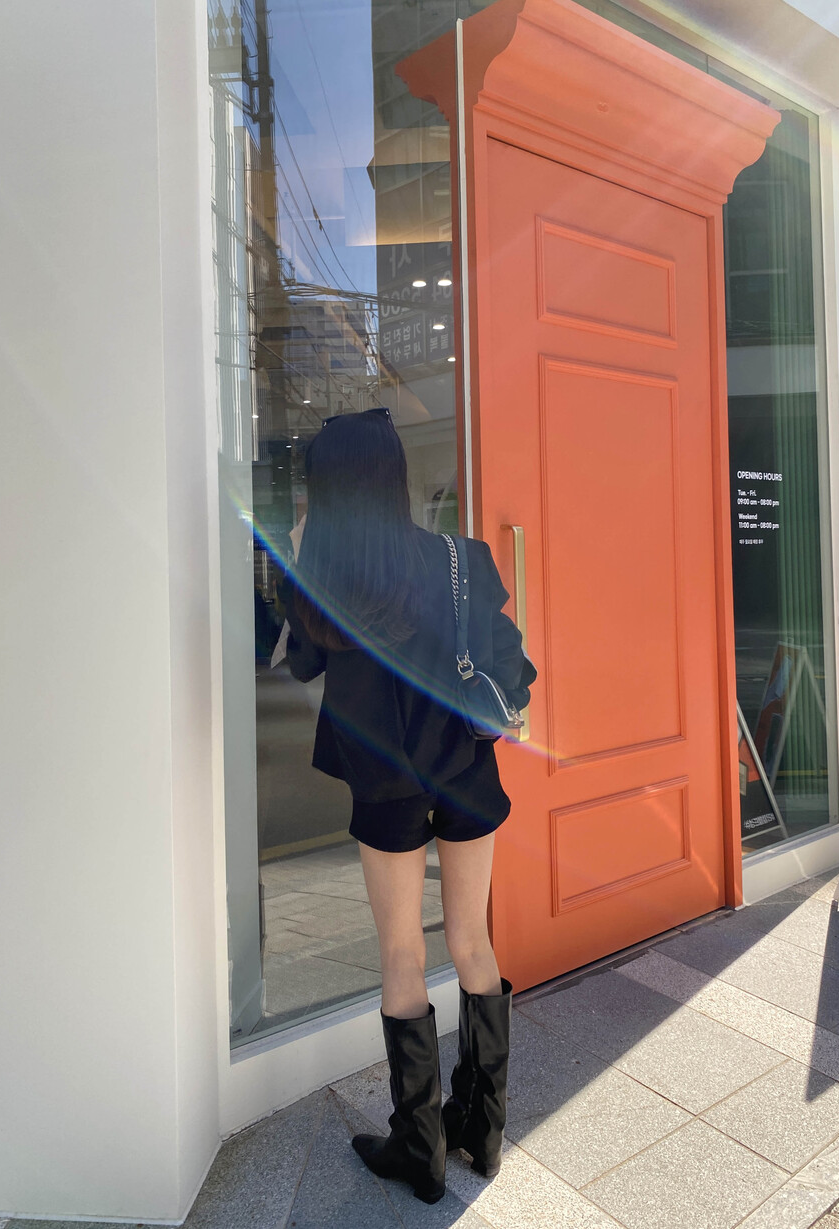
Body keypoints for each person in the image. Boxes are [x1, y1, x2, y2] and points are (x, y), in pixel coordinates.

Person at [280, 407, 535, 1205]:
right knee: (472, 940)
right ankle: (482, 1130)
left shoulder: (329, 577)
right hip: (464, 770)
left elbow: (301, 664)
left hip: (385, 780)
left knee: (401, 954)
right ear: (393, 476)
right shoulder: (461, 559)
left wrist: (298, 555)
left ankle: (419, 1148)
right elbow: (512, 664)